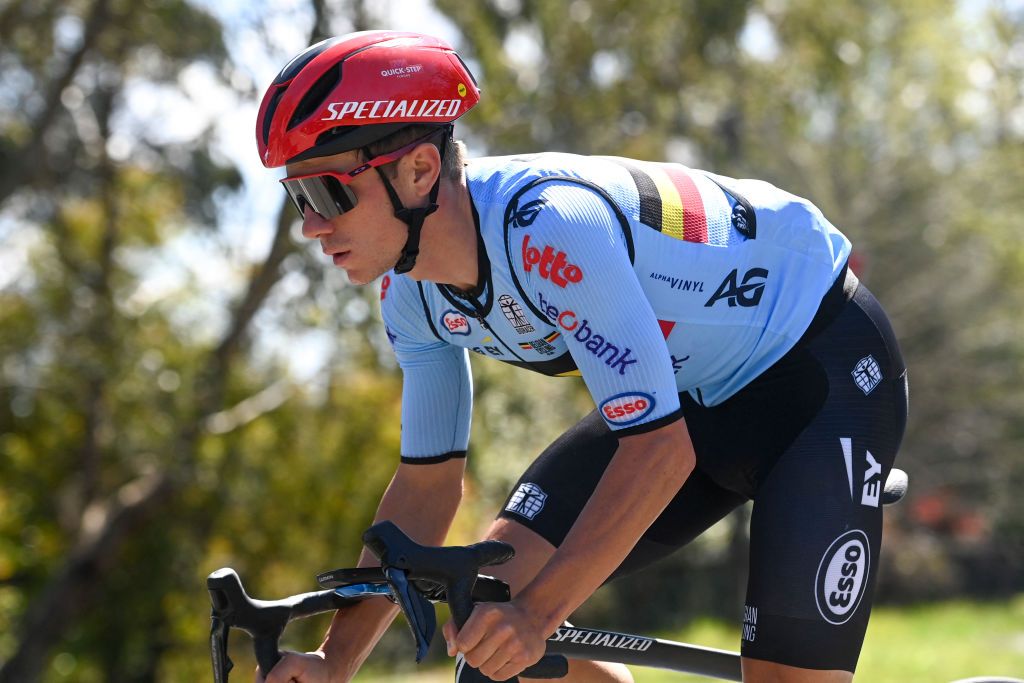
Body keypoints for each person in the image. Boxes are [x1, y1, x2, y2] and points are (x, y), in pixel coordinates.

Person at [254, 30, 908, 683]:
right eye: (297, 197)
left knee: (764, 674)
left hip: (818, 379)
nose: (311, 224)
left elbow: (659, 452)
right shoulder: (410, 296)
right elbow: (427, 486)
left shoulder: (551, 227)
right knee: (492, 632)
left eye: (327, 193)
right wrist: (330, 662)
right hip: (692, 400)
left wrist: (537, 619)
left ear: (421, 170)